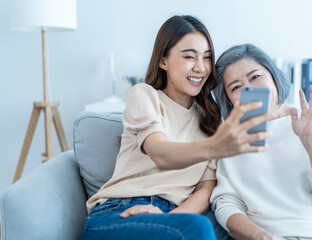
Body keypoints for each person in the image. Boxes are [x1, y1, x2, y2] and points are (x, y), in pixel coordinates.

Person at [81, 16, 272, 240]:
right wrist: (215, 146)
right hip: (120, 213)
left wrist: (167, 217)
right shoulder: (144, 95)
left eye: (207, 57)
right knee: (198, 229)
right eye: (189, 56)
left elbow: (205, 189)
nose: (201, 68)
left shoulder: (210, 120)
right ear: (163, 61)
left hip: (171, 218)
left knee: (206, 228)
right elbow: (160, 152)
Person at [210, 43, 312, 240]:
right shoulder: (229, 143)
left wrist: (310, 141)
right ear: (229, 100)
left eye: (255, 76)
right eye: (236, 87)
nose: (249, 88)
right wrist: (262, 236)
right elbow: (226, 202)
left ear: (273, 77)